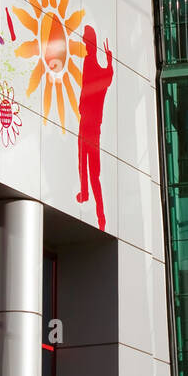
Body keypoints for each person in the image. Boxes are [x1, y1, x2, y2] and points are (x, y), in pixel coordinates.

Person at [76, 26, 113, 230]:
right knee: (87, 165)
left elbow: (95, 85)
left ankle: (99, 212)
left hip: (90, 125)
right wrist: (109, 62)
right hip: (90, 124)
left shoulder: (91, 65)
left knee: (89, 167)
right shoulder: (94, 65)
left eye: (86, 41)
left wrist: (109, 62)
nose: (85, 45)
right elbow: (105, 79)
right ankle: (93, 204)